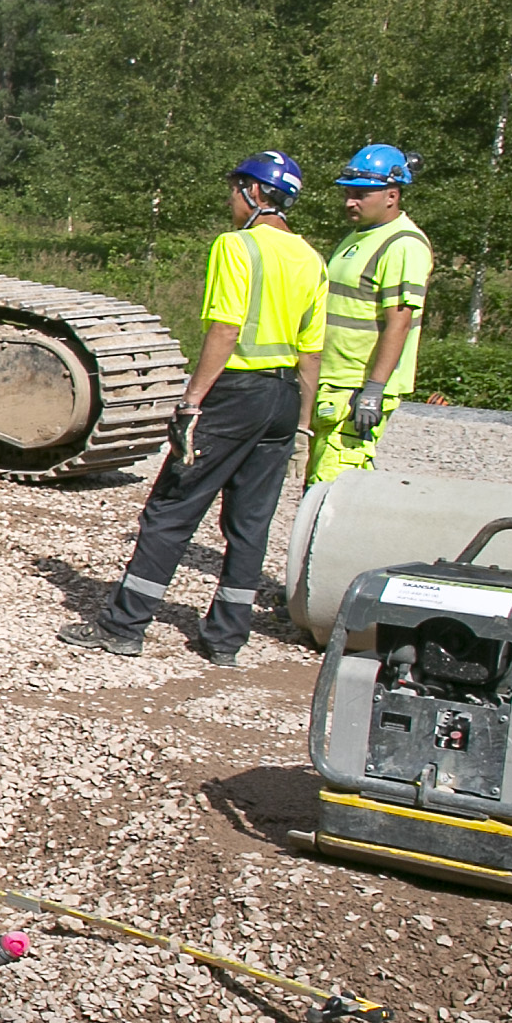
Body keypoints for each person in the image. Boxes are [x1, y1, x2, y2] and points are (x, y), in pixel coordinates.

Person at [69, 153, 328, 663]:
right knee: (251, 523)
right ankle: (226, 640)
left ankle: (125, 626)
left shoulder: (238, 247)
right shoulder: (312, 259)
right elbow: (312, 350)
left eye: (235, 191)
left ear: (255, 192)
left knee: (172, 507)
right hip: (283, 398)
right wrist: (301, 424)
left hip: (237, 394)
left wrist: (192, 402)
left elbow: (225, 330)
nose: (231, 201)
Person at [309, 144, 431, 486]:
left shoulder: (403, 245)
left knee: (335, 484)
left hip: (356, 387)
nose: (350, 202)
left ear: (392, 195)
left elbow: (400, 321)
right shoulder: (358, 237)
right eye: (348, 193)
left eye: (362, 194)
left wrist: (374, 390)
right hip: (335, 380)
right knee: (318, 478)